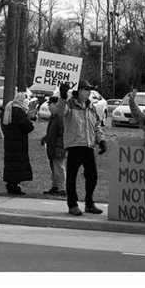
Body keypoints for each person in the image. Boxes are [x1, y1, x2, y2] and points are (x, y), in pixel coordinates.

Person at [56, 80, 106, 216]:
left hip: (88, 145)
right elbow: (60, 111)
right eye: (86, 89)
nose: (89, 92)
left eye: (89, 89)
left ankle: (89, 203)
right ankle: (72, 205)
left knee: (93, 176)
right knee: (71, 177)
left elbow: (96, 125)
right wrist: (62, 96)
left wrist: (101, 140)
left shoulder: (91, 107)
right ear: (78, 91)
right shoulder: (69, 104)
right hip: (74, 145)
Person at [1, 92, 37, 195]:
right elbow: (27, 127)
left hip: (10, 142)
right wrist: (30, 120)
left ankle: (10, 184)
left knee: (11, 164)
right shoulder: (19, 112)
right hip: (19, 142)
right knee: (17, 165)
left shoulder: (9, 110)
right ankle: (15, 185)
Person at [40, 96, 66, 196]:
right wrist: (45, 138)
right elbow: (52, 131)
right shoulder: (53, 116)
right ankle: (55, 186)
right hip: (52, 147)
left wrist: (59, 147)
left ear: (56, 105)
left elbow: (62, 133)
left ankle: (62, 188)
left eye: (50, 104)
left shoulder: (60, 116)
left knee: (59, 168)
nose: (49, 106)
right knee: (53, 168)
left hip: (58, 147)